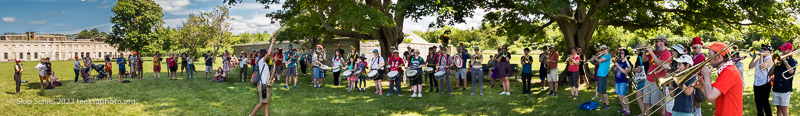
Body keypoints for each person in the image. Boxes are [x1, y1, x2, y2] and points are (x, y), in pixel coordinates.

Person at [697, 42, 742, 116]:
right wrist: (702, 88)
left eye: (710, 55)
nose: (708, 58)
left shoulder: (729, 72)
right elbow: (716, 101)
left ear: (719, 57)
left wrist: (706, 75)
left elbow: (710, 96)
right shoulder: (725, 71)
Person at [642, 35, 672, 116]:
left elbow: (660, 64)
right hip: (648, 79)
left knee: (660, 105)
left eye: (656, 42)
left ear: (663, 42)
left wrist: (650, 52)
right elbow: (644, 60)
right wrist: (644, 51)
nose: (655, 44)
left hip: (658, 81)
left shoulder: (667, 53)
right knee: (646, 102)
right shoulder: (655, 52)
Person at [249, 36, 277, 116]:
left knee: (266, 102)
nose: (268, 55)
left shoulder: (264, 63)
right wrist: (272, 43)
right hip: (263, 85)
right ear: (263, 55)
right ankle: (251, 115)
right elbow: (268, 53)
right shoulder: (262, 60)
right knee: (262, 102)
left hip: (265, 84)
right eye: (266, 54)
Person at [770, 43, 795, 116]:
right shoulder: (778, 61)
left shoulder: (792, 61)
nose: (782, 51)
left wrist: (785, 61)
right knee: (778, 108)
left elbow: (791, 71)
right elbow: (770, 74)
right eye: (782, 50)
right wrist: (774, 64)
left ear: (790, 51)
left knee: (784, 109)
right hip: (776, 87)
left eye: (784, 50)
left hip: (785, 89)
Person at [749, 44, 773, 116]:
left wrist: (761, 55)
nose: (762, 50)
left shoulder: (770, 59)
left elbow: (762, 67)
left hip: (765, 83)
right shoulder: (759, 59)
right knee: (758, 103)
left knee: (765, 103)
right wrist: (754, 58)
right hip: (757, 83)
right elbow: (750, 66)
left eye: (765, 49)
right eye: (762, 48)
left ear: (769, 52)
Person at [689, 37, 709, 116]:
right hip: (694, 78)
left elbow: (694, 67)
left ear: (700, 47)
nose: (693, 49)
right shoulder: (695, 55)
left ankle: (698, 113)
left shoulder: (701, 56)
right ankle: (696, 112)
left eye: (695, 47)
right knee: (694, 97)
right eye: (692, 48)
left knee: (697, 98)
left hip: (698, 79)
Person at [612, 48, 633, 115]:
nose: (621, 54)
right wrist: (614, 67)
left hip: (623, 81)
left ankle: (628, 110)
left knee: (623, 96)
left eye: (623, 53)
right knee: (619, 96)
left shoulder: (628, 63)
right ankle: (624, 108)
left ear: (626, 54)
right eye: (620, 53)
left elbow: (625, 72)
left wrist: (618, 65)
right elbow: (615, 71)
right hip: (617, 81)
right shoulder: (619, 61)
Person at [591, 45, 612, 109]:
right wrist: (592, 60)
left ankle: (607, 105)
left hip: (603, 75)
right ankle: (604, 103)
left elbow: (600, 61)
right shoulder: (602, 55)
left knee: (603, 91)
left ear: (607, 49)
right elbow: (596, 63)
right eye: (601, 49)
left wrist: (595, 58)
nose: (603, 50)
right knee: (600, 91)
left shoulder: (608, 55)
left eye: (604, 49)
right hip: (599, 74)